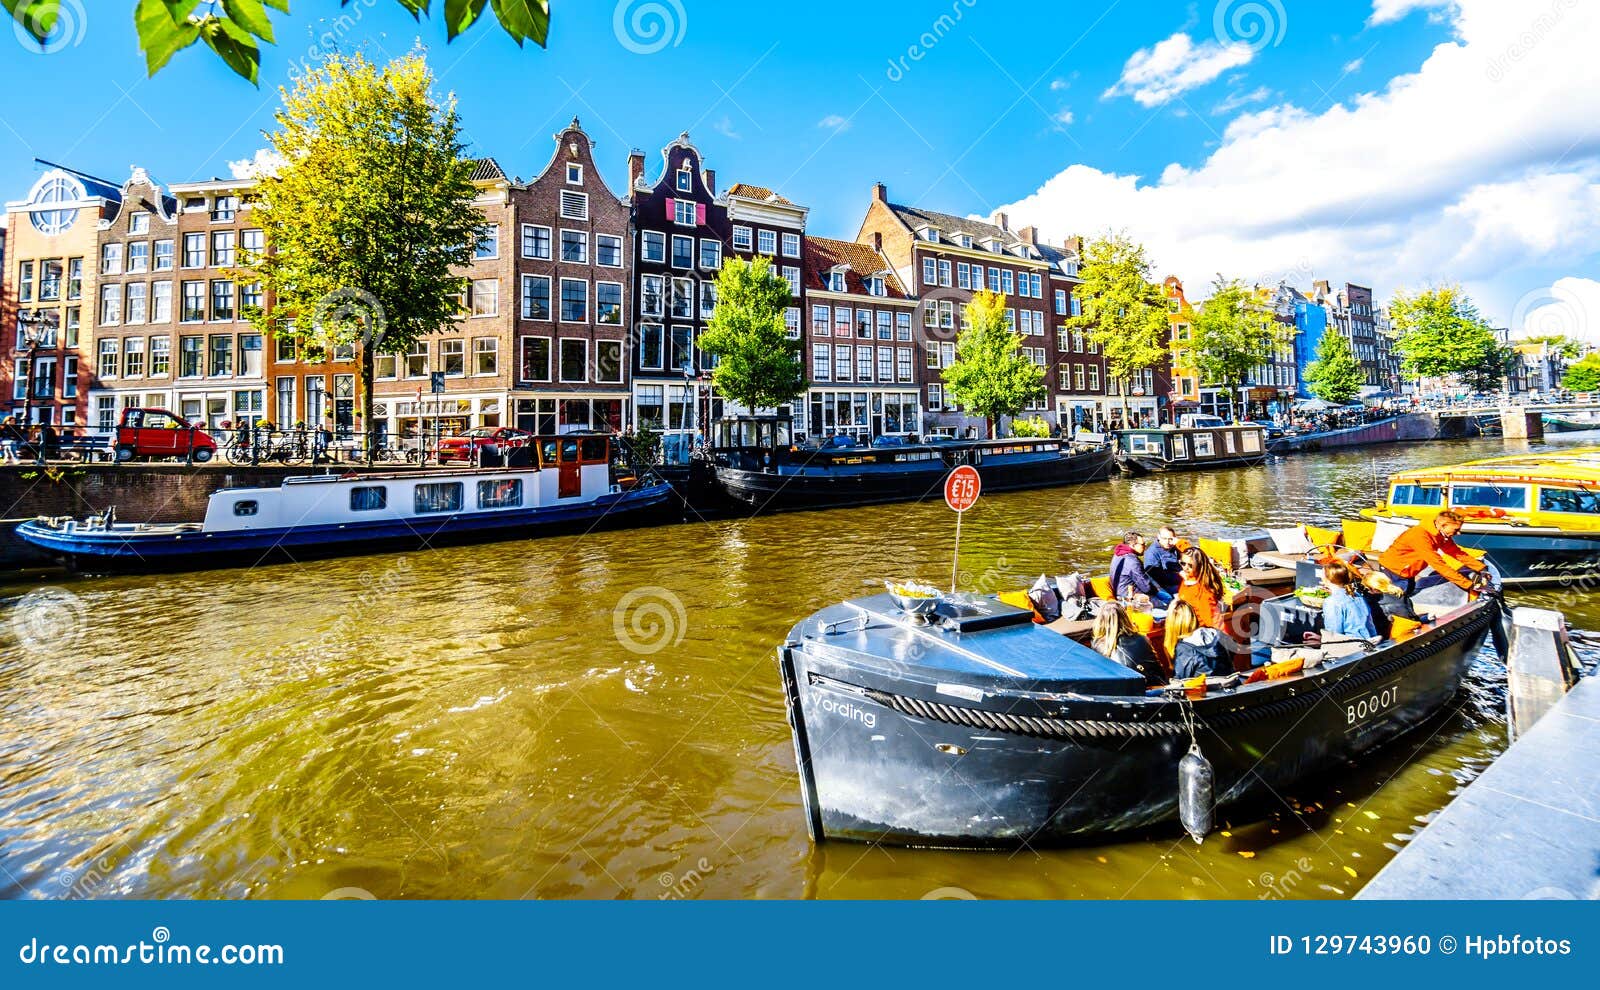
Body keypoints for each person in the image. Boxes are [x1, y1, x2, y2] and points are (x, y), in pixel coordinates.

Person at [1377, 509, 1490, 596]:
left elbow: (1456, 553)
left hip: (1408, 571)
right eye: (1456, 530)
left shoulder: (1440, 534)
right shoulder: (1419, 535)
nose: (1459, 533)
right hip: (1393, 571)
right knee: (1397, 599)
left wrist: (1481, 568)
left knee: (1408, 592)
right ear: (1443, 525)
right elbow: (1438, 564)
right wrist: (1469, 585)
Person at [1091, 601, 1164, 687]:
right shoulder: (1141, 639)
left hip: (1117, 691)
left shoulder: (1097, 644)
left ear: (1100, 621)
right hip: (1147, 689)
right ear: (1125, 617)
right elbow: (1158, 670)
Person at [1166, 600, 1232, 679]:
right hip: (1230, 685)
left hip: (1205, 689)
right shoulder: (1215, 633)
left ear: (1172, 623)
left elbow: (1181, 680)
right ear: (1194, 616)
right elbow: (1233, 648)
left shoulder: (1184, 648)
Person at [1320, 559, 1377, 639]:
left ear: (1327, 580)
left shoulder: (1332, 601)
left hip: (1352, 645)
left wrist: (1321, 641)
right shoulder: (1357, 595)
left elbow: (1333, 633)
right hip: (1368, 640)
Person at [1111, 531, 1172, 605]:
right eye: (1142, 544)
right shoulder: (1133, 561)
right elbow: (1146, 588)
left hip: (1120, 591)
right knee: (1168, 600)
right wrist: (1156, 590)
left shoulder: (1118, 554)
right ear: (1133, 545)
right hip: (1130, 597)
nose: (1145, 547)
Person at [1176, 546, 1227, 631]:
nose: (1185, 568)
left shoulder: (1203, 592)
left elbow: (1215, 621)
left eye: (1190, 565)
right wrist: (1179, 542)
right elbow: (1189, 550)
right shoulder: (1189, 578)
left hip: (1196, 632)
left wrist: (1224, 641)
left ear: (1199, 566)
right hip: (1185, 625)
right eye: (1183, 563)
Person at [1143, 526, 1183, 594]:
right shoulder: (1152, 552)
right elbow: (1156, 576)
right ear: (1158, 537)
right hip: (1166, 586)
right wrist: (1181, 577)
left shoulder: (1175, 547)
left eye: (1170, 539)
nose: (1167, 542)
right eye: (1164, 538)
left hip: (1180, 577)